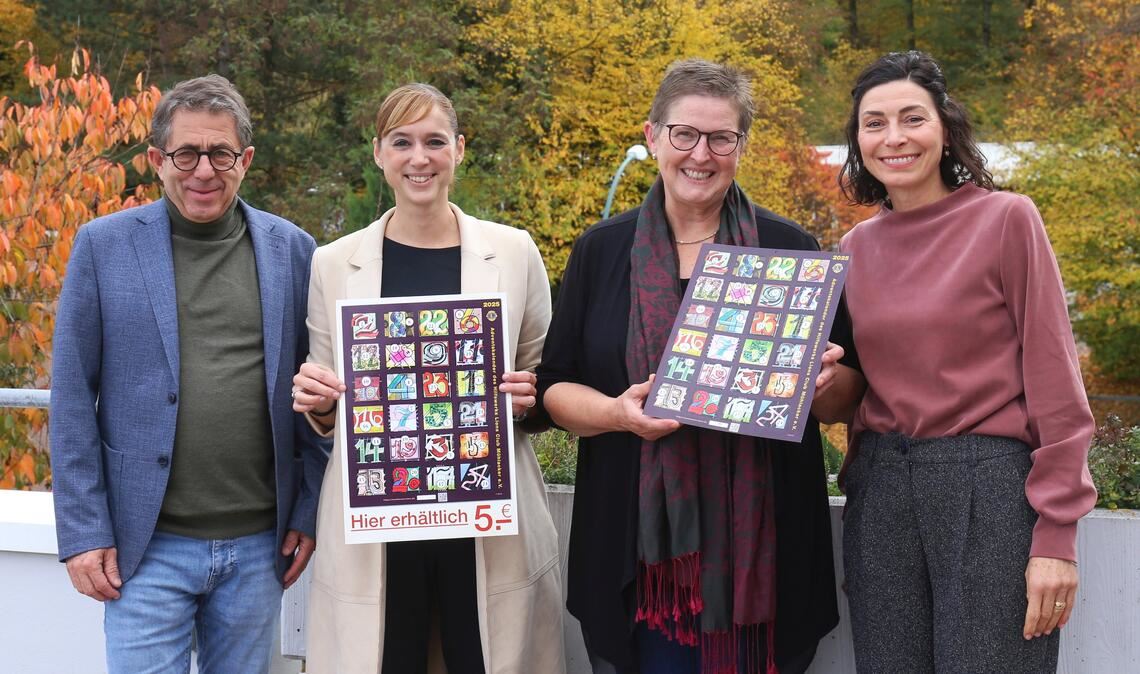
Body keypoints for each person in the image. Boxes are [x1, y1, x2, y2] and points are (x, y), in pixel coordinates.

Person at [537, 59, 864, 674]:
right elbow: (553, 388)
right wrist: (616, 413)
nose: (701, 154)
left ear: (742, 145)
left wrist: (823, 381)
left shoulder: (788, 247)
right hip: (638, 556)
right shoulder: (601, 250)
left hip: (766, 556)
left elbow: (845, 398)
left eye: (722, 138)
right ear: (653, 135)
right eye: (684, 133)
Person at [49, 74, 329, 673]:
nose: (204, 169)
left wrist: (308, 510)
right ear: (157, 159)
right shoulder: (103, 246)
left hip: (260, 549)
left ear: (245, 159)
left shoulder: (294, 250)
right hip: (143, 549)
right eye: (186, 153)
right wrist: (81, 531)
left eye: (220, 153)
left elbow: (314, 388)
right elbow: (71, 394)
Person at [290, 83, 565, 673]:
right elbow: (328, 405)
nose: (420, 158)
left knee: (485, 657)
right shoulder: (334, 263)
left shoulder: (515, 252)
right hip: (381, 526)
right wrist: (317, 400)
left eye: (435, 141)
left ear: (459, 150)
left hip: (487, 518)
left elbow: (546, 379)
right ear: (378, 154)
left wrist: (530, 396)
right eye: (403, 142)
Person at [836, 50, 1097, 673]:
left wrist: (1056, 534)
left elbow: (1056, 383)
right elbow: (854, 385)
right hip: (881, 491)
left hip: (988, 486)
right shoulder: (852, 249)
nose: (893, 137)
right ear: (858, 142)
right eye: (874, 123)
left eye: (911, 118)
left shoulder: (1007, 219)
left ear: (945, 128)